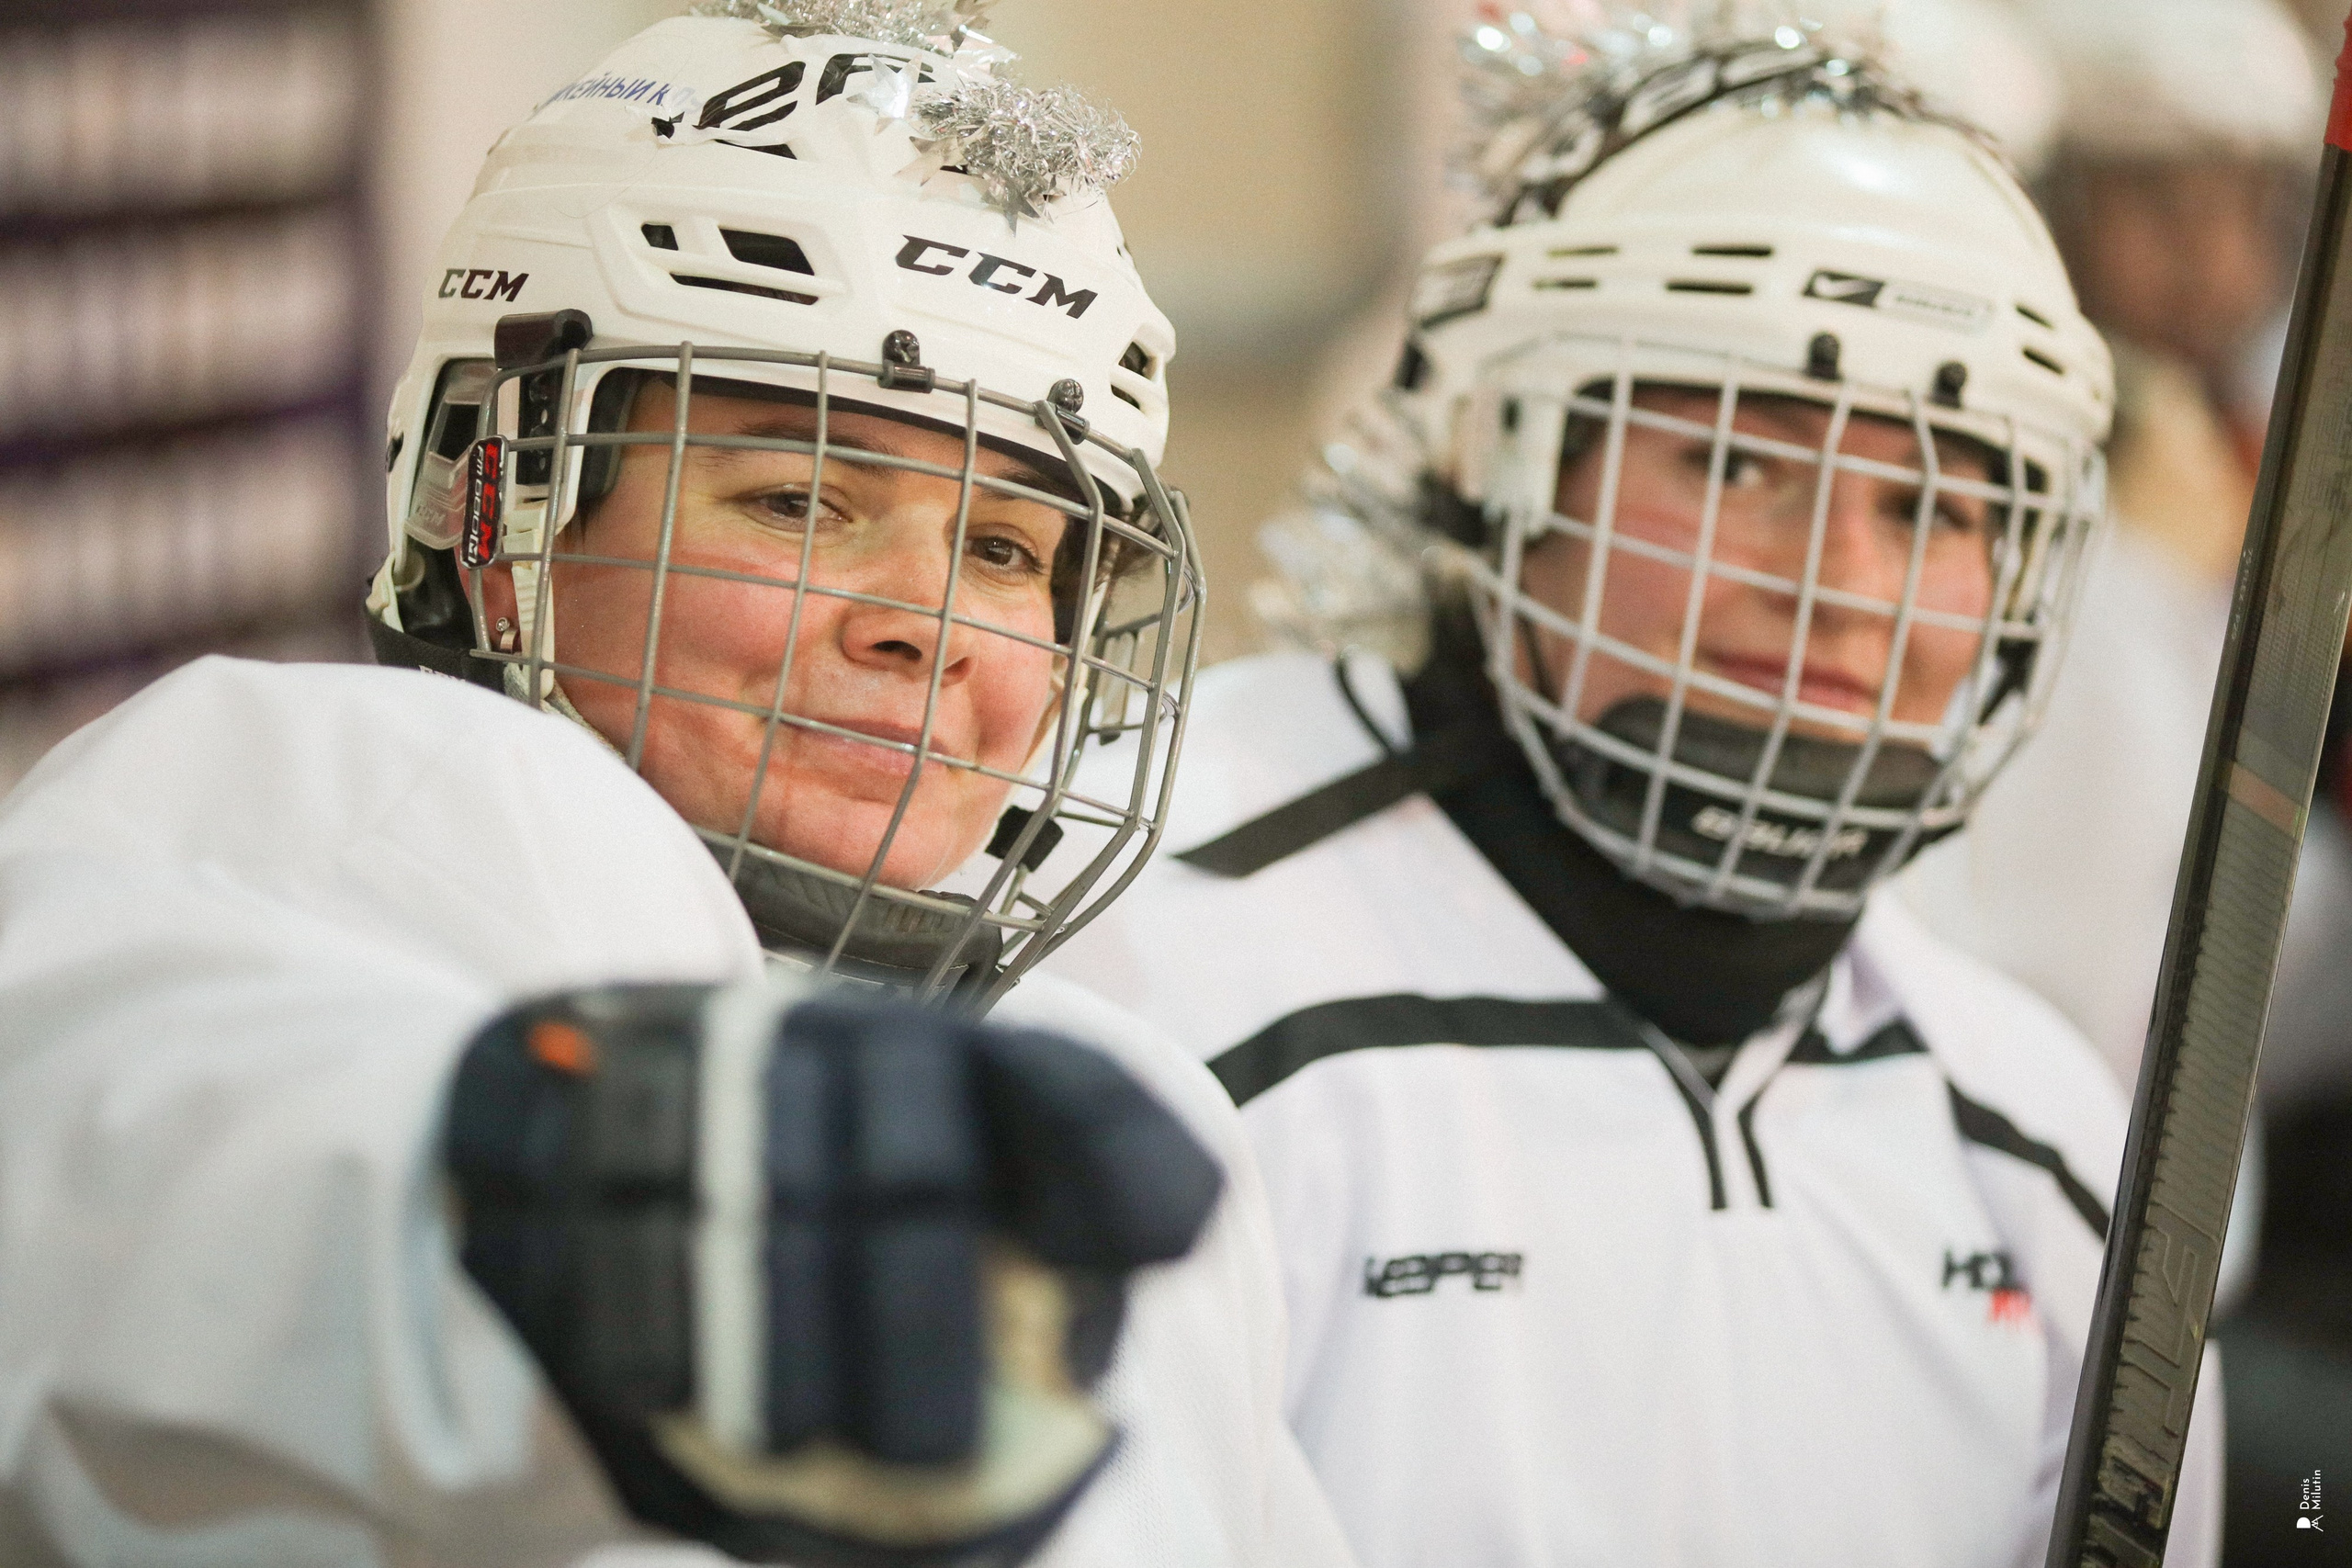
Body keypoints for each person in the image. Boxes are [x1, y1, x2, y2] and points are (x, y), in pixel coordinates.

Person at [0, 8, 1352, 1567]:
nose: (923, 622)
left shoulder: (1104, 1108)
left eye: (1001, 550)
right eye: (801, 501)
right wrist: (546, 1187)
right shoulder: (342, 799)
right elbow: (100, 1122)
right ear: (499, 513)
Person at [1047, 16, 2225, 1567]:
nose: (1841, 590)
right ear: (1505, 460)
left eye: (1932, 506)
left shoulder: (2039, 1131)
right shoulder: (1139, 965)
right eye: (1735, 465)